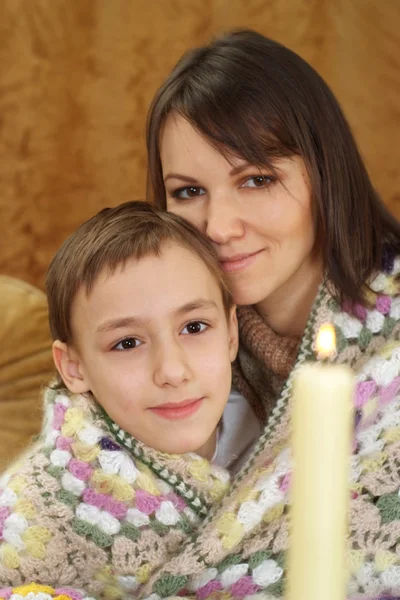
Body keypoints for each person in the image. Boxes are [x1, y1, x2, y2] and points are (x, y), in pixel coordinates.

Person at [144, 29, 400, 599]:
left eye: (256, 180)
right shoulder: (154, 344)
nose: (218, 226)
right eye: (188, 192)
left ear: (322, 172)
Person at [0, 201, 261, 599]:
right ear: (73, 367)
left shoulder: (280, 432)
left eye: (194, 327)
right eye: (127, 343)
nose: (172, 371)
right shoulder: (42, 503)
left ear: (230, 333)